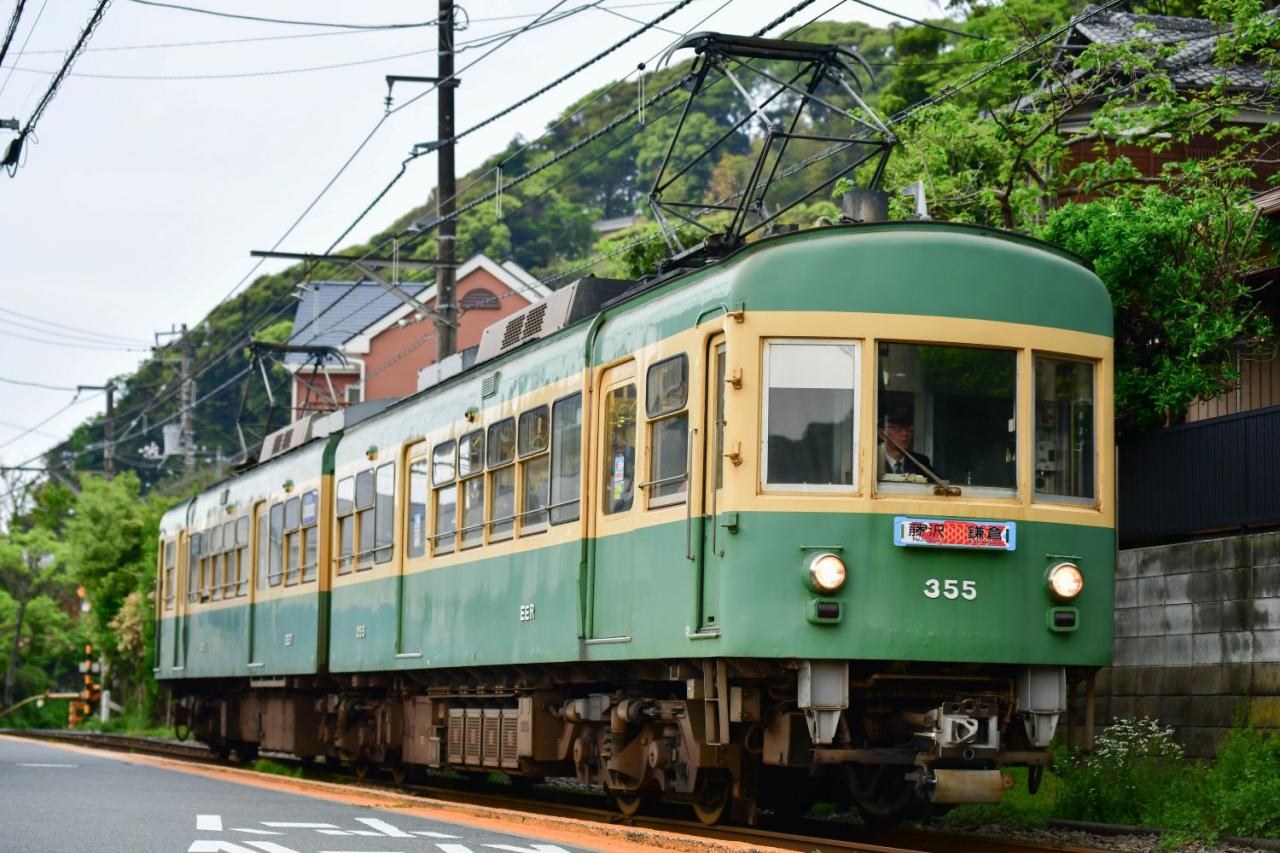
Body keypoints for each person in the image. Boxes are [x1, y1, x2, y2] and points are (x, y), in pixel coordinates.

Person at [878, 404, 936, 479]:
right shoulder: (874, 462)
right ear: (881, 434)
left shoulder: (920, 462)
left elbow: (938, 485)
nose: (905, 433)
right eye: (898, 429)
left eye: (909, 429)